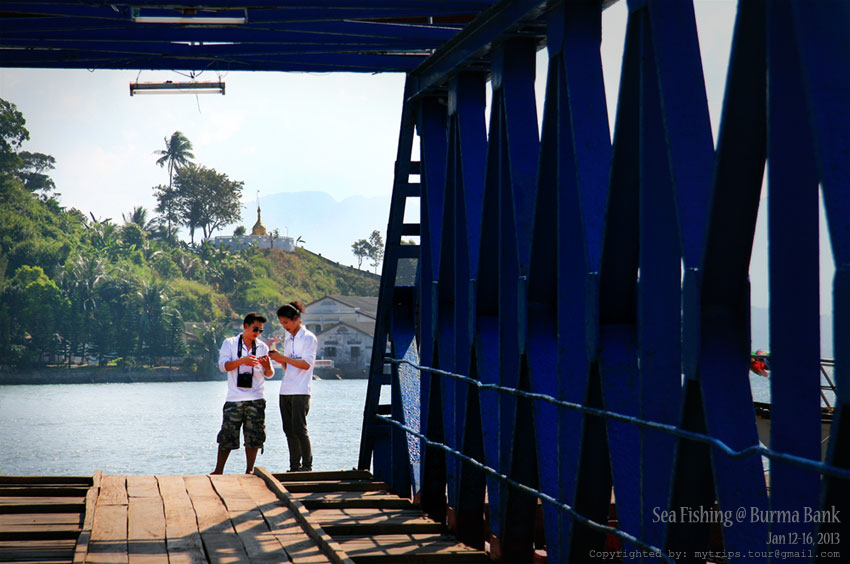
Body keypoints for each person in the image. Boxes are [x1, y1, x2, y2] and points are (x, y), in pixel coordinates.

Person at [212, 312, 274, 474]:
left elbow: (269, 374)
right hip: (235, 398)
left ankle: (249, 471)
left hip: (256, 397)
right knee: (227, 435)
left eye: (260, 330)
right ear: (245, 326)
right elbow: (223, 366)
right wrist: (243, 361)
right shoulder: (230, 343)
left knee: (254, 436)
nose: (257, 333)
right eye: (255, 329)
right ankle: (218, 470)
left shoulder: (262, 347)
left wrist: (267, 366)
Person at [268, 301, 317, 472]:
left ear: (296, 319)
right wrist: (279, 359)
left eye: (286, 322)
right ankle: (294, 466)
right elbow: (288, 366)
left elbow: (305, 365)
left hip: (301, 390)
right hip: (286, 389)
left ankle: (307, 466)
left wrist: (283, 358)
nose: (284, 326)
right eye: (282, 323)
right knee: (288, 429)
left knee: (299, 429)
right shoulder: (288, 339)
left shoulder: (309, 338)